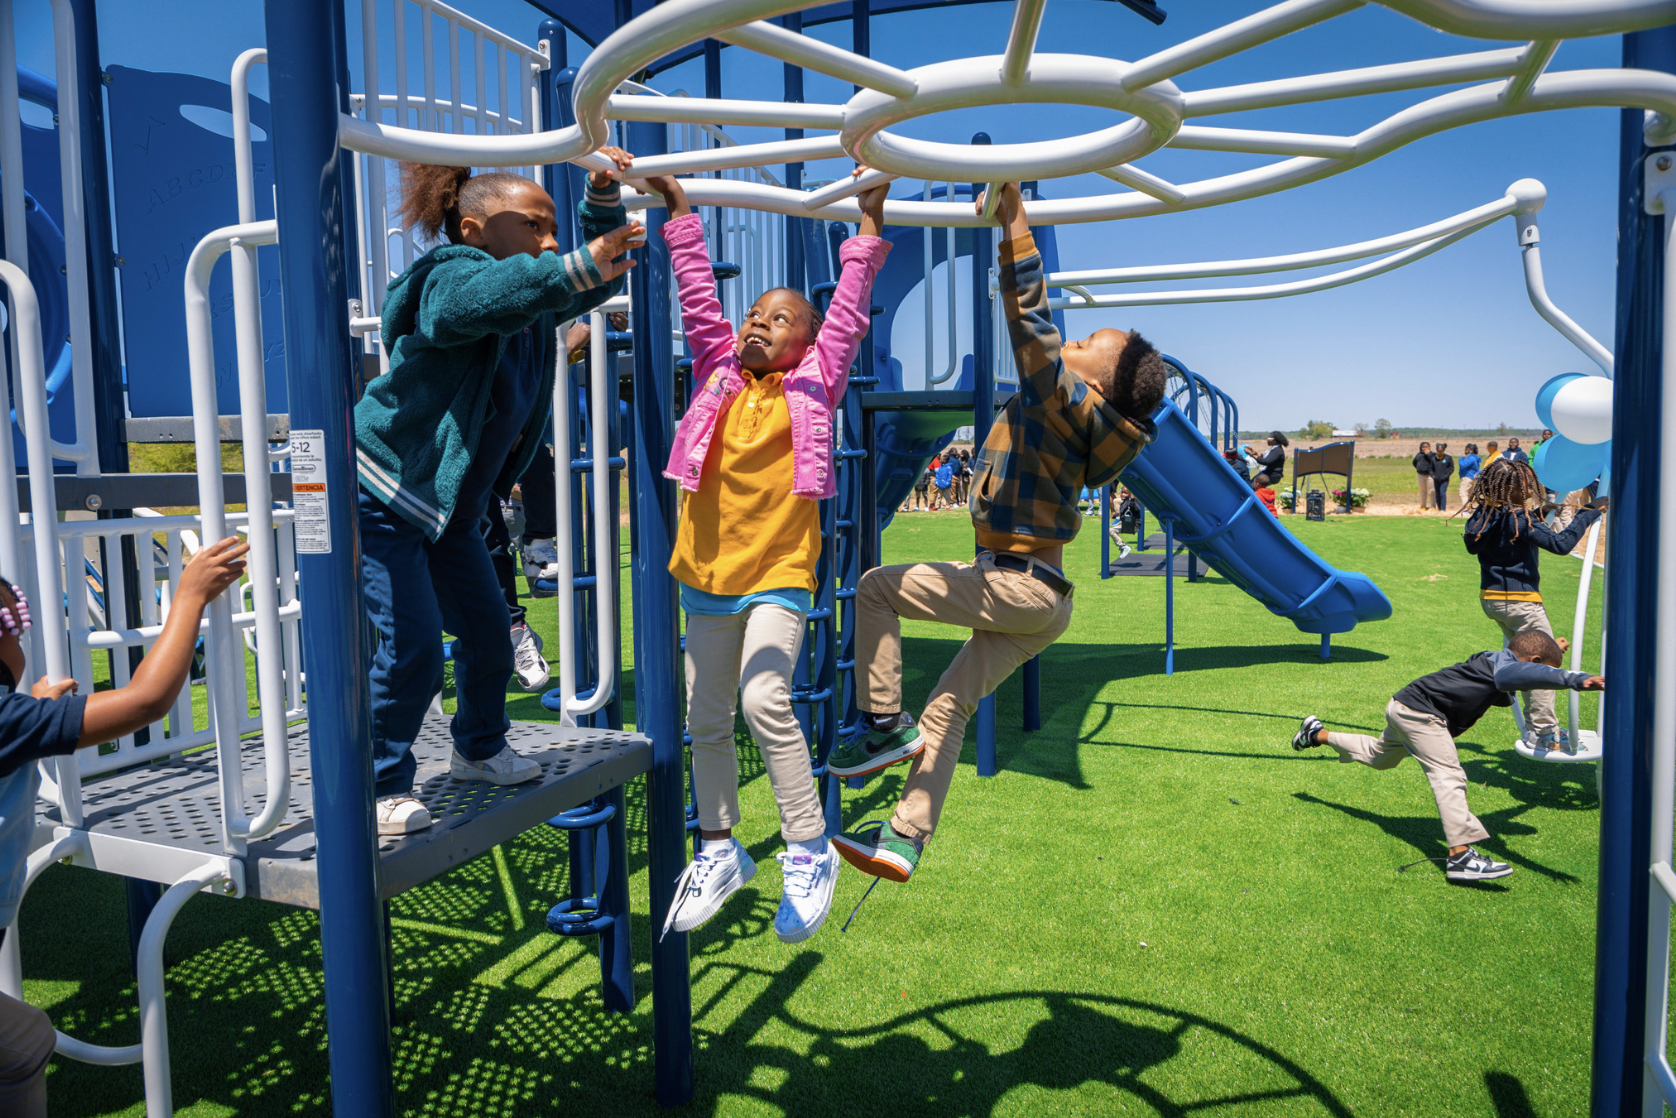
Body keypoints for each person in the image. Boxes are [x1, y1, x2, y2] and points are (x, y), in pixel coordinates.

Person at [825, 181, 1165, 882]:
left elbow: (1030, 321)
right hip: (1042, 600)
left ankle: (883, 722)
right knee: (948, 706)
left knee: (876, 588)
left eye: (1083, 344)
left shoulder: (1064, 402)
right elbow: (1046, 342)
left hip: (1018, 585)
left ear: (1092, 386)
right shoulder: (1091, 427)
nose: (1067, 341)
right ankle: (905, 838)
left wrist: (1013, 219)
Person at [356, 153, 641, 835]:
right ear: (475, 229)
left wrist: (601, 203)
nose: (550, 242)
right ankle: (380, 784)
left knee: (492, 633)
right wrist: (568, 263)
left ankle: (478, 748)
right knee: (415, 646)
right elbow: (476, 303)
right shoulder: (446, 277)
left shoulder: (530, 302)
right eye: (535, 227)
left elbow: (580, 285)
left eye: (553, 229)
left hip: (451, 509)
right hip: (388, 492)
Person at [644, 170, 891, 942]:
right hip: (706, 578)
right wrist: (681, 215)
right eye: (754, 313)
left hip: (778, 577)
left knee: (762, 702)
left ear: (806, 341)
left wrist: (870, 221)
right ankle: (719, 849)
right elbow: (697, 300)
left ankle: (807, 847)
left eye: (778, 318)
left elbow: (848, 312)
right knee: (705, 720)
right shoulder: (718, 371)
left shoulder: (815, 383)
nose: (756, 323)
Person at [0, 541, 249, 1115]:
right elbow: (145, 702)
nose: (21, 641)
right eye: (15, 631)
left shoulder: (13, 722)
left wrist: (34, 707)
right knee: (21, 1045)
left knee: (22, 1042)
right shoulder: (7, 723)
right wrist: (187, 596)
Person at [1291, 629, 1604, 882]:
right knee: (1449, 775)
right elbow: (1522, 674)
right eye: (1538, 671)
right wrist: (1575, 679)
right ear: (1531, 661)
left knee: (1378, 756)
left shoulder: (1495, 661)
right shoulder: (1506, 668)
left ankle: (1316, 734)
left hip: (1403, 705)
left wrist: (1553, 653)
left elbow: (1521, 674)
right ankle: (1461, 857)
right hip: (1421, 715)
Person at [1461, 456, 1605, 748]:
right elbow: (1561, 544)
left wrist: (1538, 513)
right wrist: (1588, 512)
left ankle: (1538, 728)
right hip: (1522, 603)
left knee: (1525, 662)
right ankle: (1542, 733)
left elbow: (1500, 534)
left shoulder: (1486, 514)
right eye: (1525, 484)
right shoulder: (1518, 518)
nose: (1530, 487)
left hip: (1492, 600)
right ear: (1509, 488)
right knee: (1543, 666)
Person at [1108, 487, 1136, 559]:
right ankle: (1118, 517)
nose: (1122, 494)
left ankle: (1123, 546)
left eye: (1125, 493)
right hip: (1127, 524)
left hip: (1132, 525)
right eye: (1121, 492)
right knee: (1116, 500)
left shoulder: (1132, 502)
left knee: (1110, 531)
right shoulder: (1124, 501)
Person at [1430, 441, 1454, 512]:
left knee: (1442, 493)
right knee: (1437, 494)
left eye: (1441, 450)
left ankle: (1443, 509)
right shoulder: (1434, 458)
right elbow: (1430, 468)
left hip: (1444, 479)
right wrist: (1432, 475)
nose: (1440, 451)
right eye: (1438, 450)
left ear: (1444, 450)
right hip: (1436, 479)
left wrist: (1446, 475)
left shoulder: (1448, 458)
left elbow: (1451, 468)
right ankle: (1439, 508)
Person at [1412, 440, 1436, 510]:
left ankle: (1433, 506)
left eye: (1427, 447)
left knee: (1431, 491)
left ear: (1430, 447)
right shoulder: (1419, 455)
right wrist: (1419, 468)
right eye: (1423, 447)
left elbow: (1434, 461)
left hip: (1430, 475)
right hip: (1420, 475)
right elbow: (1414, 462)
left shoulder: (1433, 455)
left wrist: (1427, 454)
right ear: (1421, 448)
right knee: (1422, 491)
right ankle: (1423, 506)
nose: (1425, 448)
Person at [1457, 442, 1482, 508]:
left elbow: (1463, 465)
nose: (1466, 451)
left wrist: (1461, 458)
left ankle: (1466, 509)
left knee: (1463, 493)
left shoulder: (1471, 458)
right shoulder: (1476, 458)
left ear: (1472, 450)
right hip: (1472, 478)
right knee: (1470, 494)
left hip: (1467, 477)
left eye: (1467, 449)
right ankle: (1470, 508)